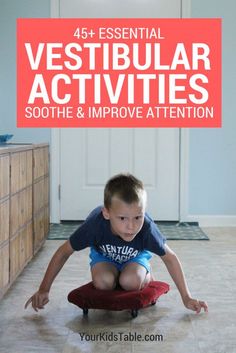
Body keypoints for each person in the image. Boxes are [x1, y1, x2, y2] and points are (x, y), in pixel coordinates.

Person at [25, 173, 208, 314]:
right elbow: (63, 252)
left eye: (138, 217)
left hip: (135, 257)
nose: (131, 226)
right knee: (103, 283)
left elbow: (170, 258)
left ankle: (146, 273)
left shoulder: (146, 229)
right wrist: (44, 289)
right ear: (107, 213)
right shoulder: (95, 225)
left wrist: (186, 297)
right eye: (122, 218)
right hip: (104, 258)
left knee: (130, 281)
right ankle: (116, 274)